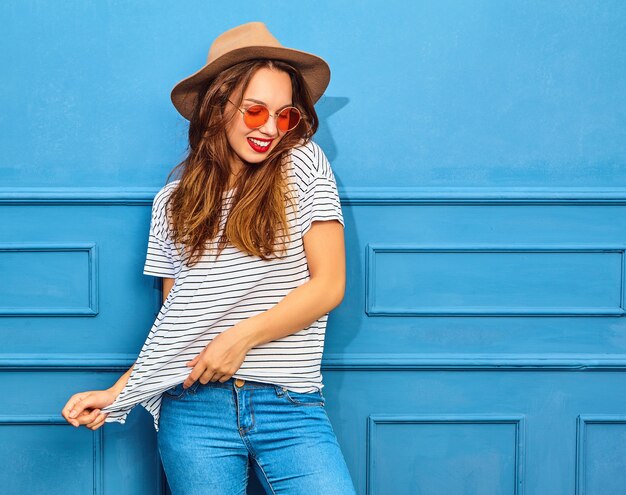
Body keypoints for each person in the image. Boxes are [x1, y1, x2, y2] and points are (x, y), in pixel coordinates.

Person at [61, 22, 357, 494]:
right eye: (255, 110)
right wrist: (116, 395)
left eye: (285, 116)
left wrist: (240, 339)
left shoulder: (303, 163)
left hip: (290, 404)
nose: (270, 129)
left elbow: (329, 285)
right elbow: (179, 324)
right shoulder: (173, 202)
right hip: (194, 410)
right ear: (218, 105)